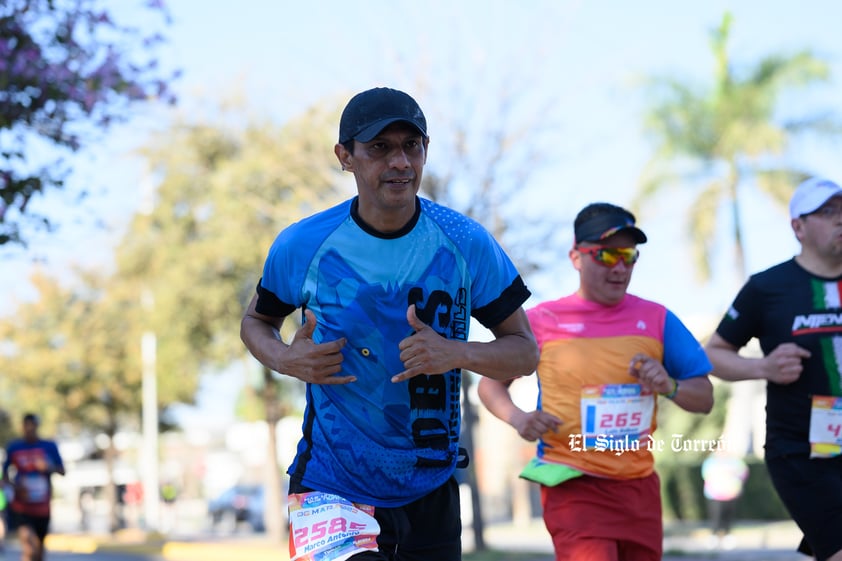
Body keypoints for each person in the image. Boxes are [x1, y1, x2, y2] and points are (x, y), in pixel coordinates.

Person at [239, 86, 540, 561]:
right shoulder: (302, 244)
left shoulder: (466, 242)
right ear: (346, 157)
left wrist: (457, 352)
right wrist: (284, 358)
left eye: (411, 146)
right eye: (380, 148)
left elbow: (525, 351)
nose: (400, 162)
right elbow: (256, 321)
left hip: (431, 482)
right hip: (330, 481)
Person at [478, 202, 714, 561]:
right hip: (571, 482)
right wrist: (520, 418)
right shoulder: (541, 321)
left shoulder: (657, 319)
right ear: (576, 257)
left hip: (638, 488)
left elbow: (705, 397)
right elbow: (489, 385)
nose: (619, 267)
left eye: (628, 255)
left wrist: (670, 385)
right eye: (606, 255)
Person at [705, 176, 842, 561]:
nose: (840, 219)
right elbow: (713, 354)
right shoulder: (768, 287)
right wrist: (763, 367)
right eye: (828, 211)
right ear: (797, 227)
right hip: (801, 451)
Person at [2, 413, 65, 561]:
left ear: (37, 426)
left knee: (38, 552)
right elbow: (4, 475)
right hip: (22, 506)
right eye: (26, 426)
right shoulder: (14, 447)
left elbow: (62, 470)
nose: (29, 429)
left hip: (43, 507)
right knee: (29, 547)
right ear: (23, 427)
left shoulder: (49, 446)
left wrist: (48, 467)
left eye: (32, 425)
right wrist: (15, 487)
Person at [700, 450, 749, 549]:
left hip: (730, 493)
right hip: (715, 494)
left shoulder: (735, 461)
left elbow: (743, 472)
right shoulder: (711, 462)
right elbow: (706, 474)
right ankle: (714, 535)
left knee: (728, 516)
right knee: (716, 516)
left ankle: (727, 535)